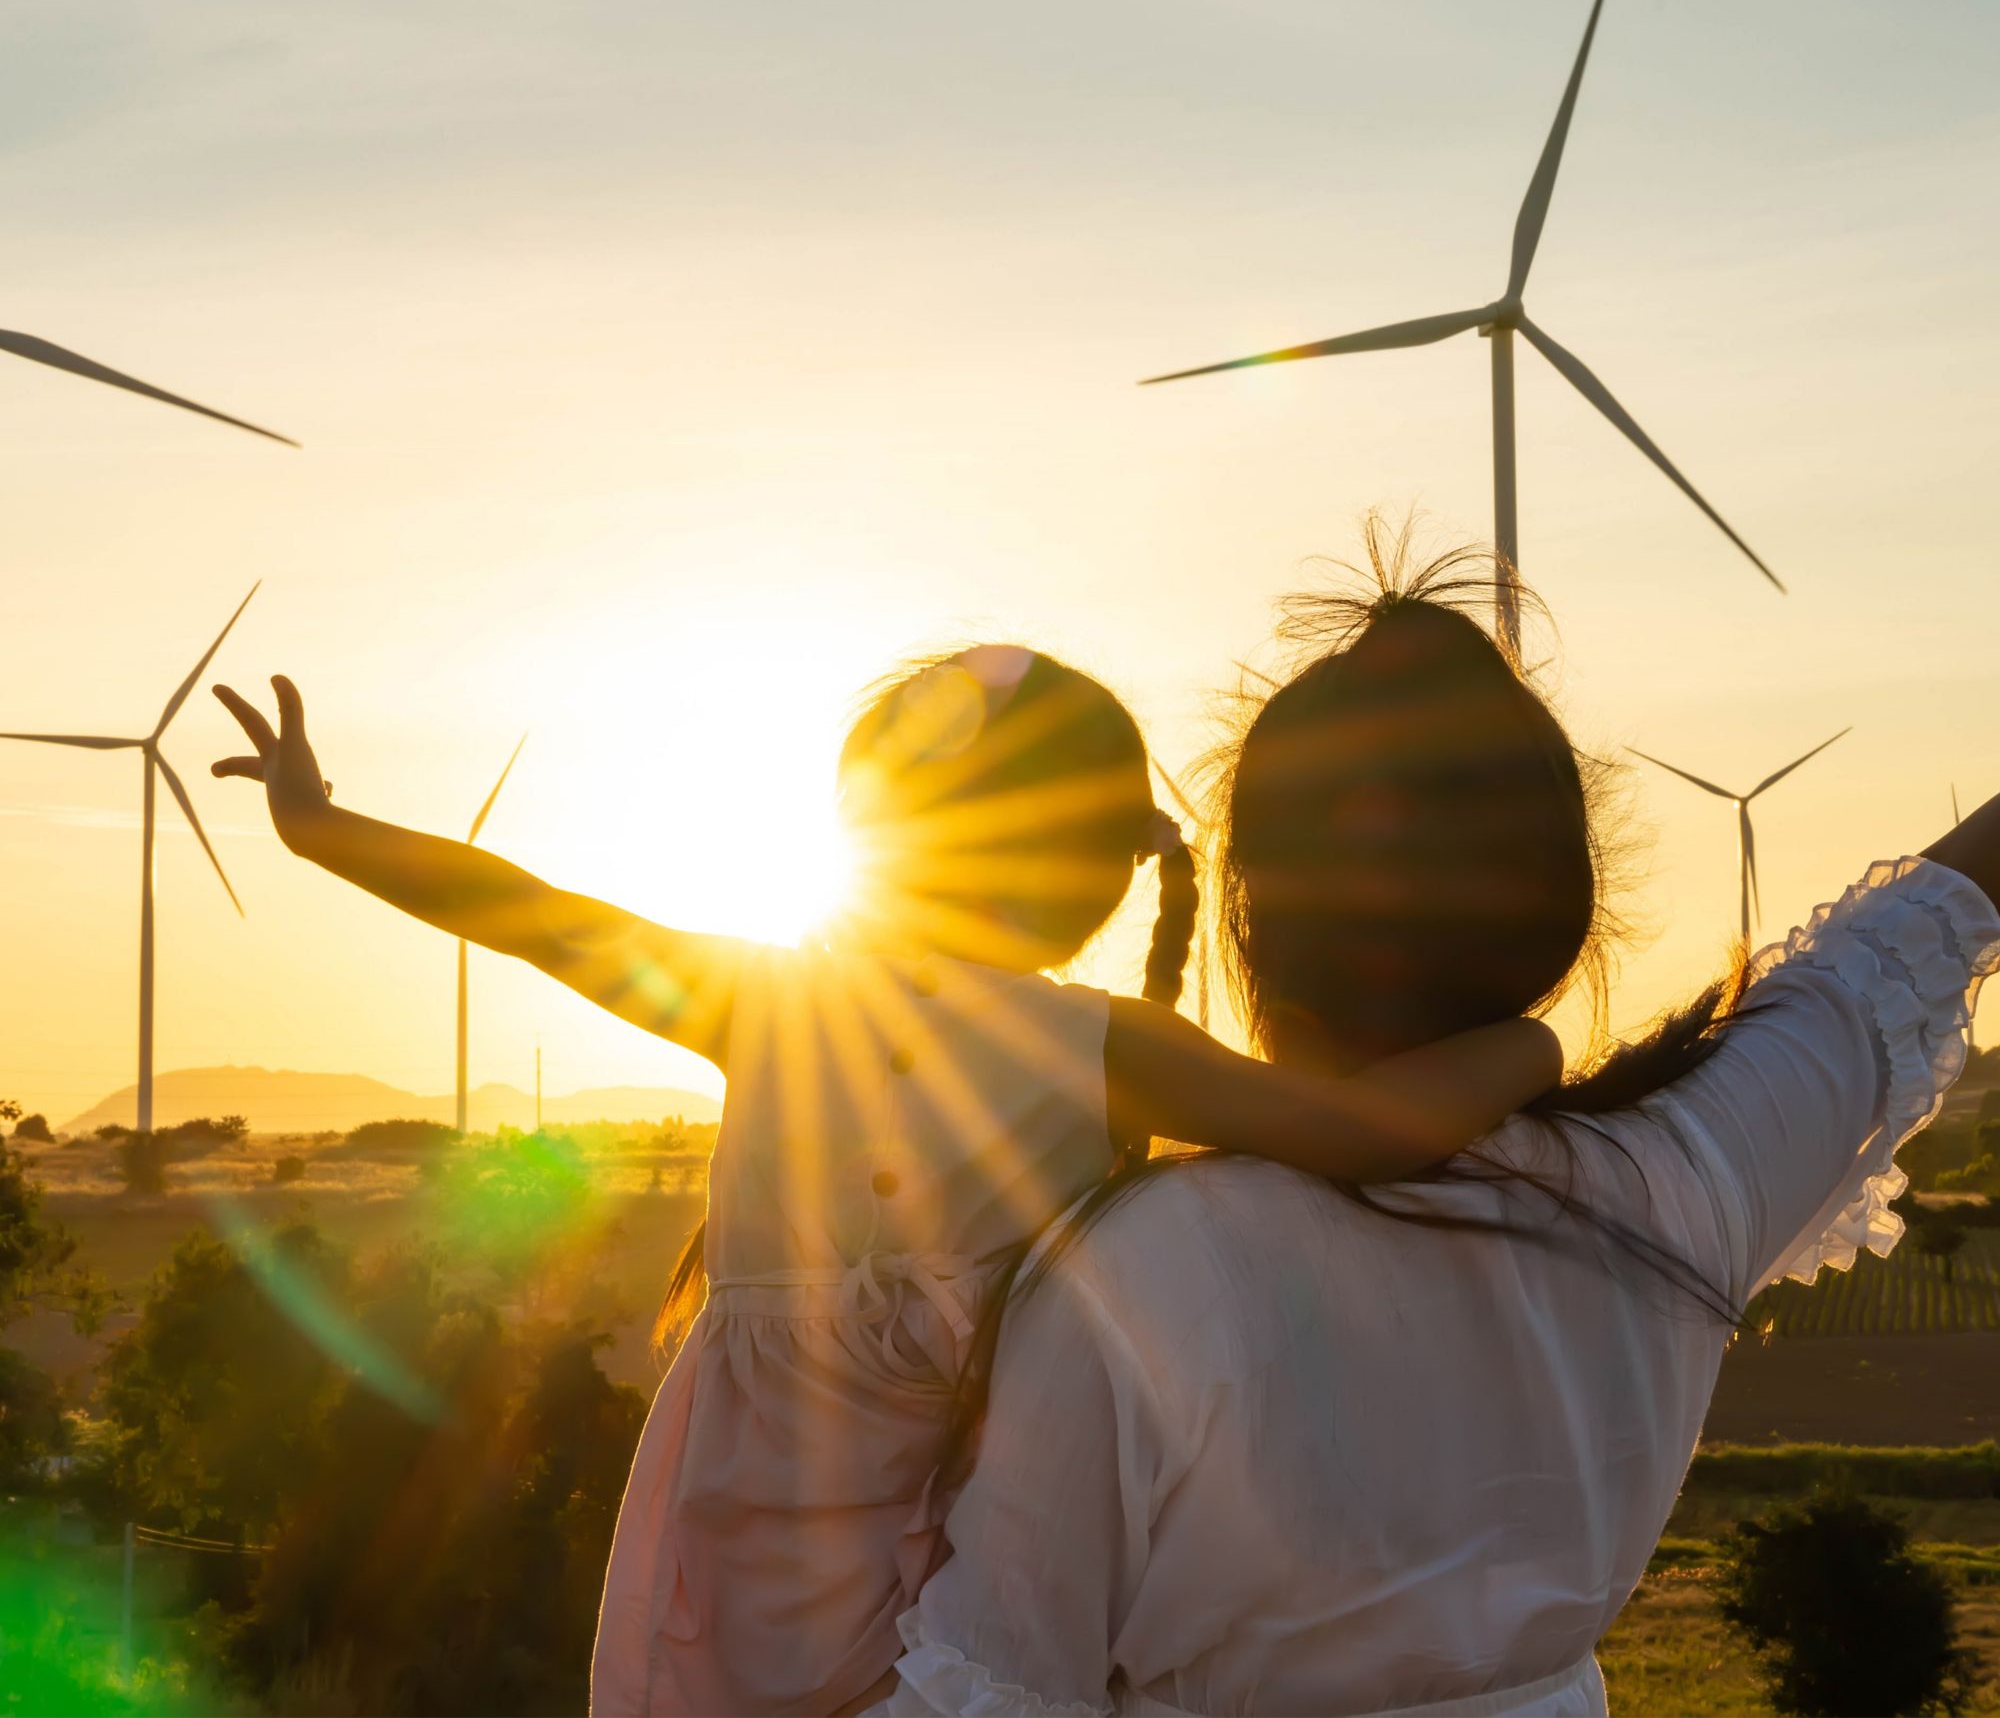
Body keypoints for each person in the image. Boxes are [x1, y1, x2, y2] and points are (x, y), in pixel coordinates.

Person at [211, 642, 1560, 1717]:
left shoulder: (767, 997)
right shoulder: (1098, 1045)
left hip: (759, 1532)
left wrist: (321, 826)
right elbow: (1358, 1130)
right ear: (1091, 867)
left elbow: (529, 915)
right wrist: (1530, 1042)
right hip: (959, 1550)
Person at [871, 543, 2000, 1718]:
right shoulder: (1679, 1177)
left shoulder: (1135, 1276)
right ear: (1561, 908)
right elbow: (1895, 950)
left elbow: (993, 1688)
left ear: (1252, 915)